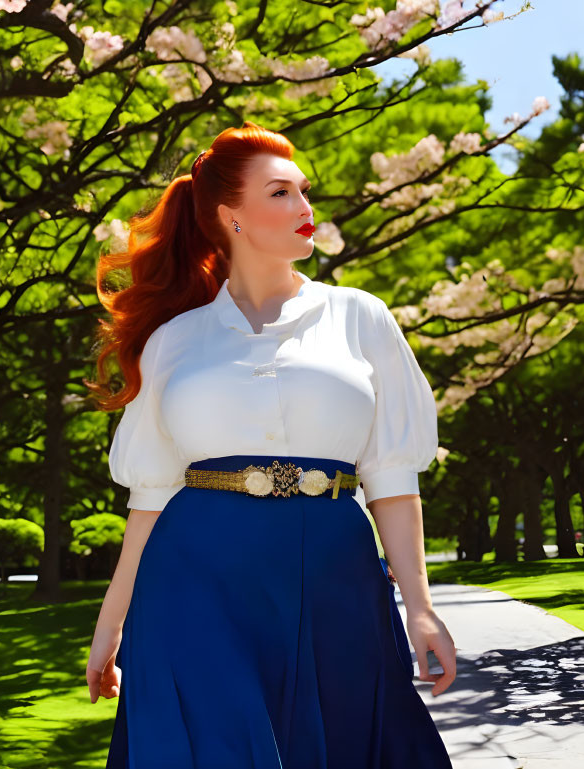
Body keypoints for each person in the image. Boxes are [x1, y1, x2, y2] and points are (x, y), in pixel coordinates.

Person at [84, 122, 456, 767]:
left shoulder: (360, 316)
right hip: (194, 579)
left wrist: (421, 609)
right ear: (230, 216)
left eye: (305, 192)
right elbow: (150, 496)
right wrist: (111, 625)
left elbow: (392, 479)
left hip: (337, 576)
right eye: (281, 193)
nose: (306, 210)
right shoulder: (176, 340)